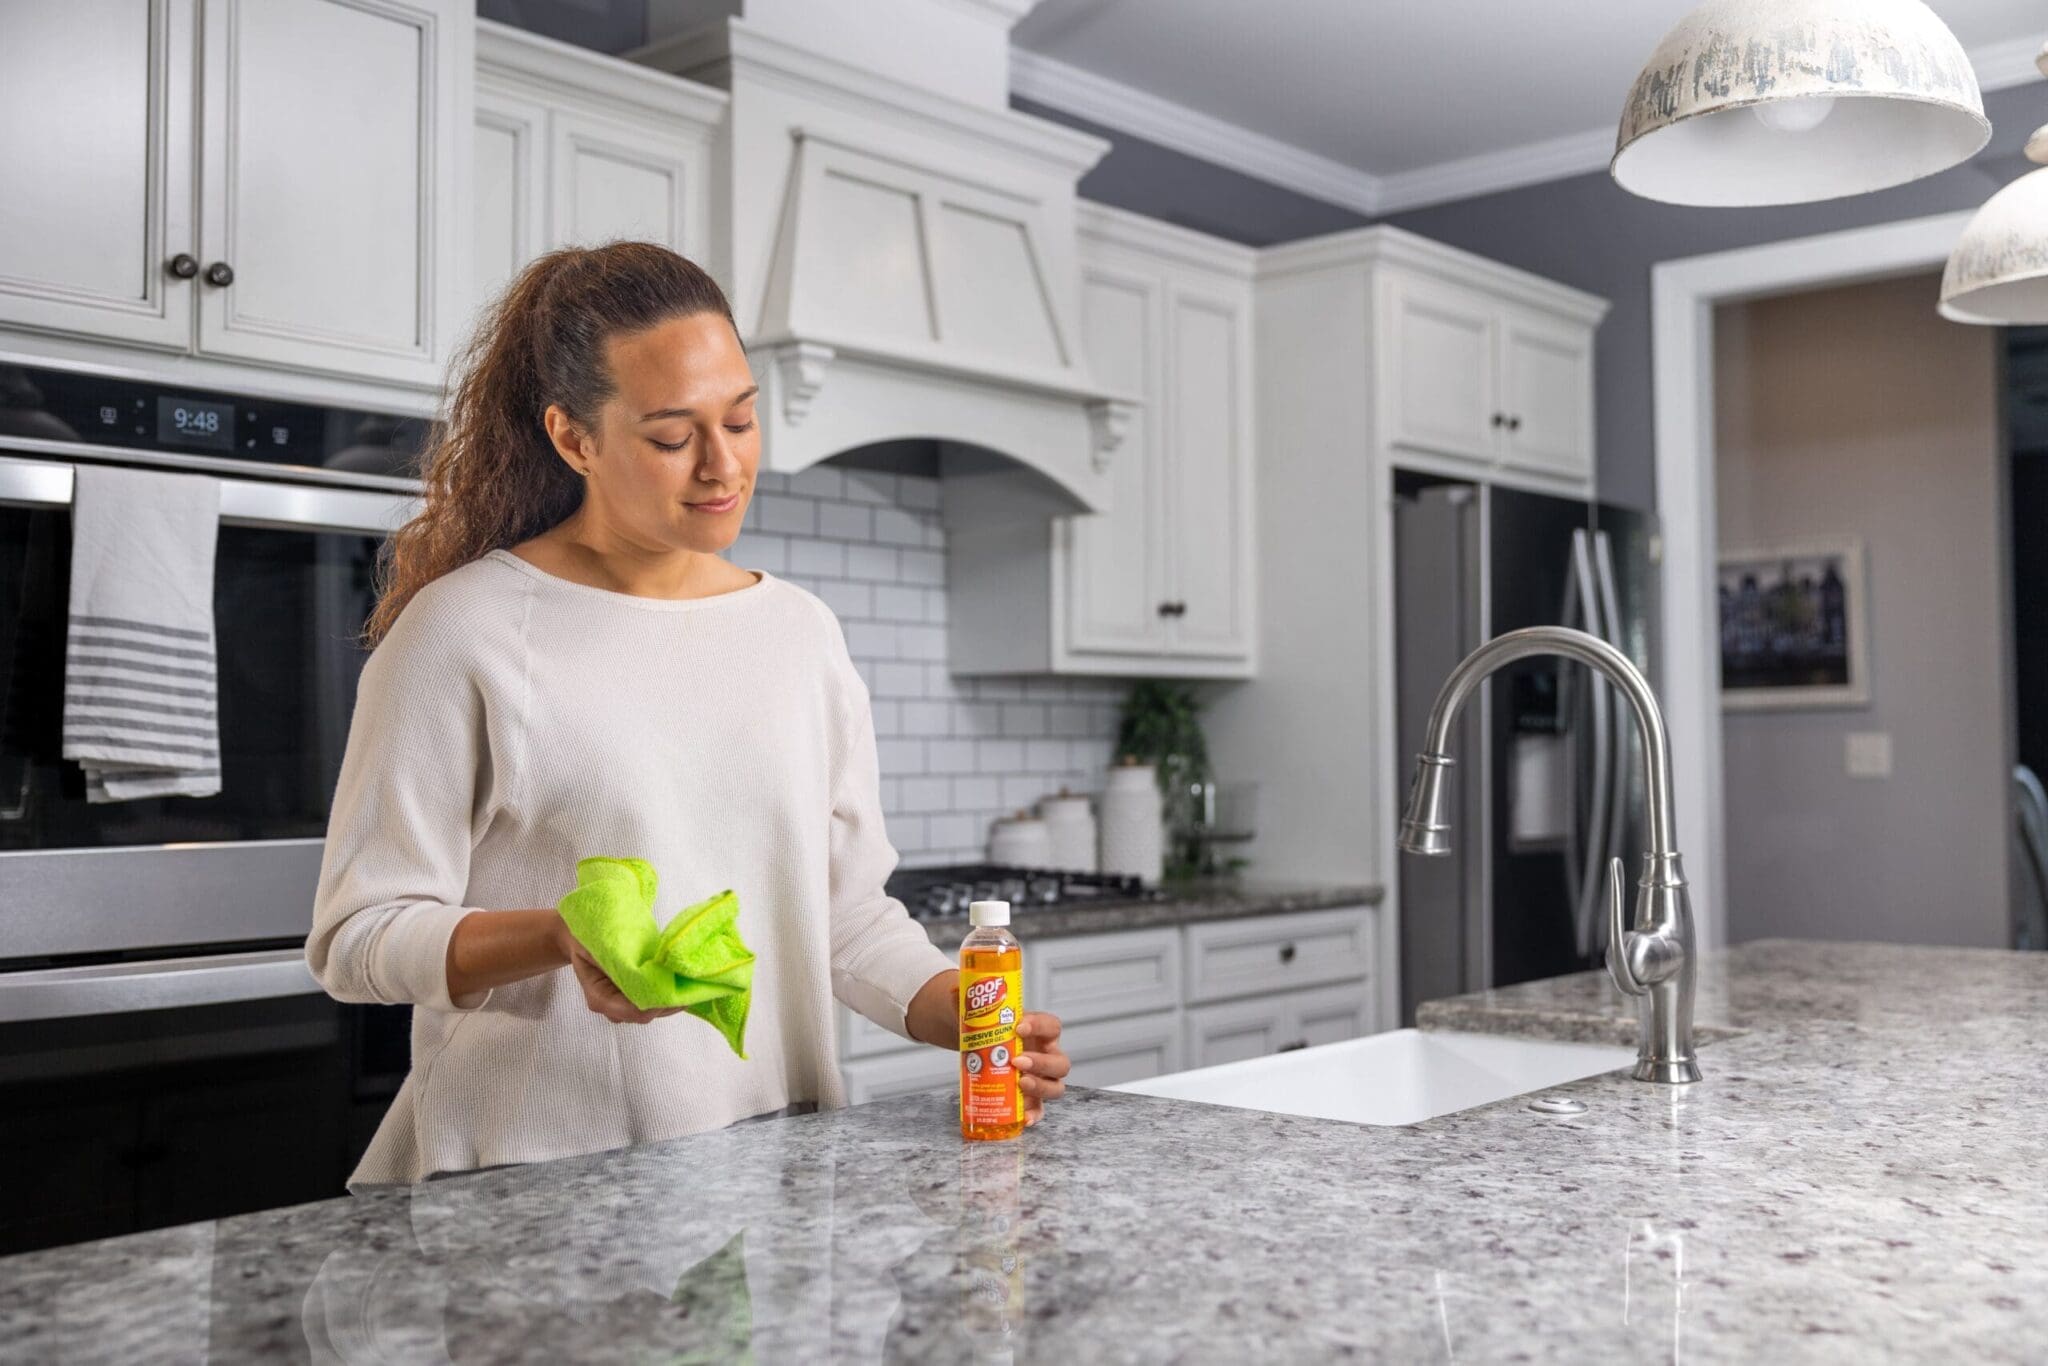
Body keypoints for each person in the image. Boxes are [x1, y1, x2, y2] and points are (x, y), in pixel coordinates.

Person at [307, 242, 1069, 1186]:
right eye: (672, 437)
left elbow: (842, 915)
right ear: (573, 438)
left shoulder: (799, 633)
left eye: (742, 421)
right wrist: (557, 935)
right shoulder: (464, 632)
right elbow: (357, 938)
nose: (722, 466)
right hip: (531, 1185)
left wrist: (956, 1012)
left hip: (769, 1173)